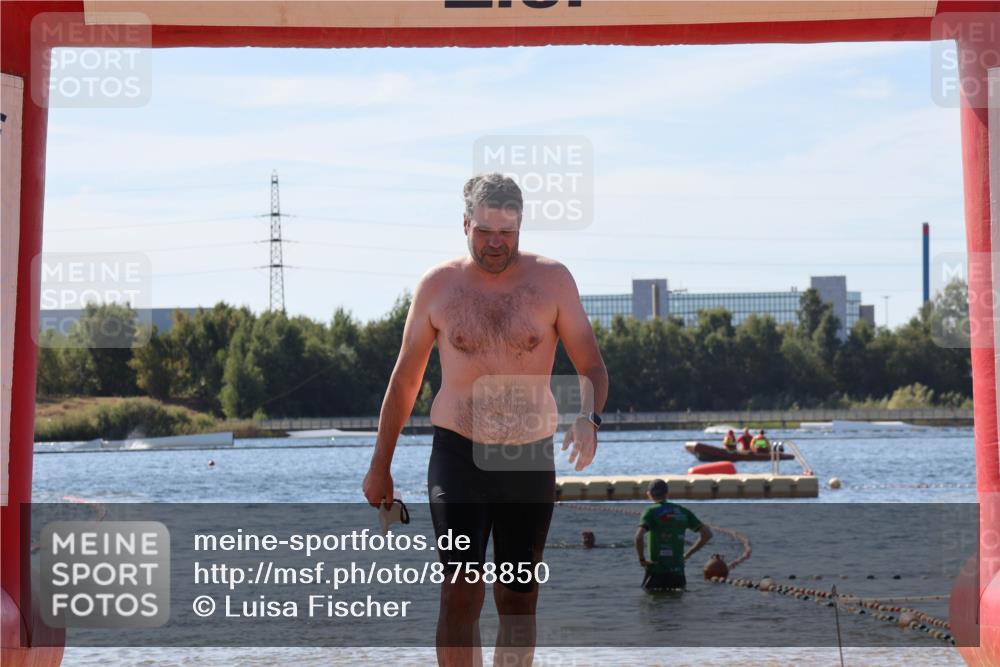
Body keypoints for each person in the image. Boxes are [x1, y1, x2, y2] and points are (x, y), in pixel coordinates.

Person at [362, 173, 609, 667]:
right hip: (458, 454)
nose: (497, 243)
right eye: (485, 231)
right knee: (461, 589)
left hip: (528, 458)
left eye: (508, 232)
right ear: (465, 224)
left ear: (521, 227)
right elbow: (404, 381)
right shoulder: (438, 286)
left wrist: (588, 417)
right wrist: (380, 465)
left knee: (518, 598)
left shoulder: (552, 281)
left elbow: (592, 366)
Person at [634, 479, 712, 591]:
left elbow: (638, 537)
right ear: (667, 493)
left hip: (656, 571)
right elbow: (707, 534)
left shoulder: (650, 511)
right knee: (677, 603)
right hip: (678, 572)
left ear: (649, 494)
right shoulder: (683, 511)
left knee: (653, 603)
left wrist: (642, 559)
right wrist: (688, 554)